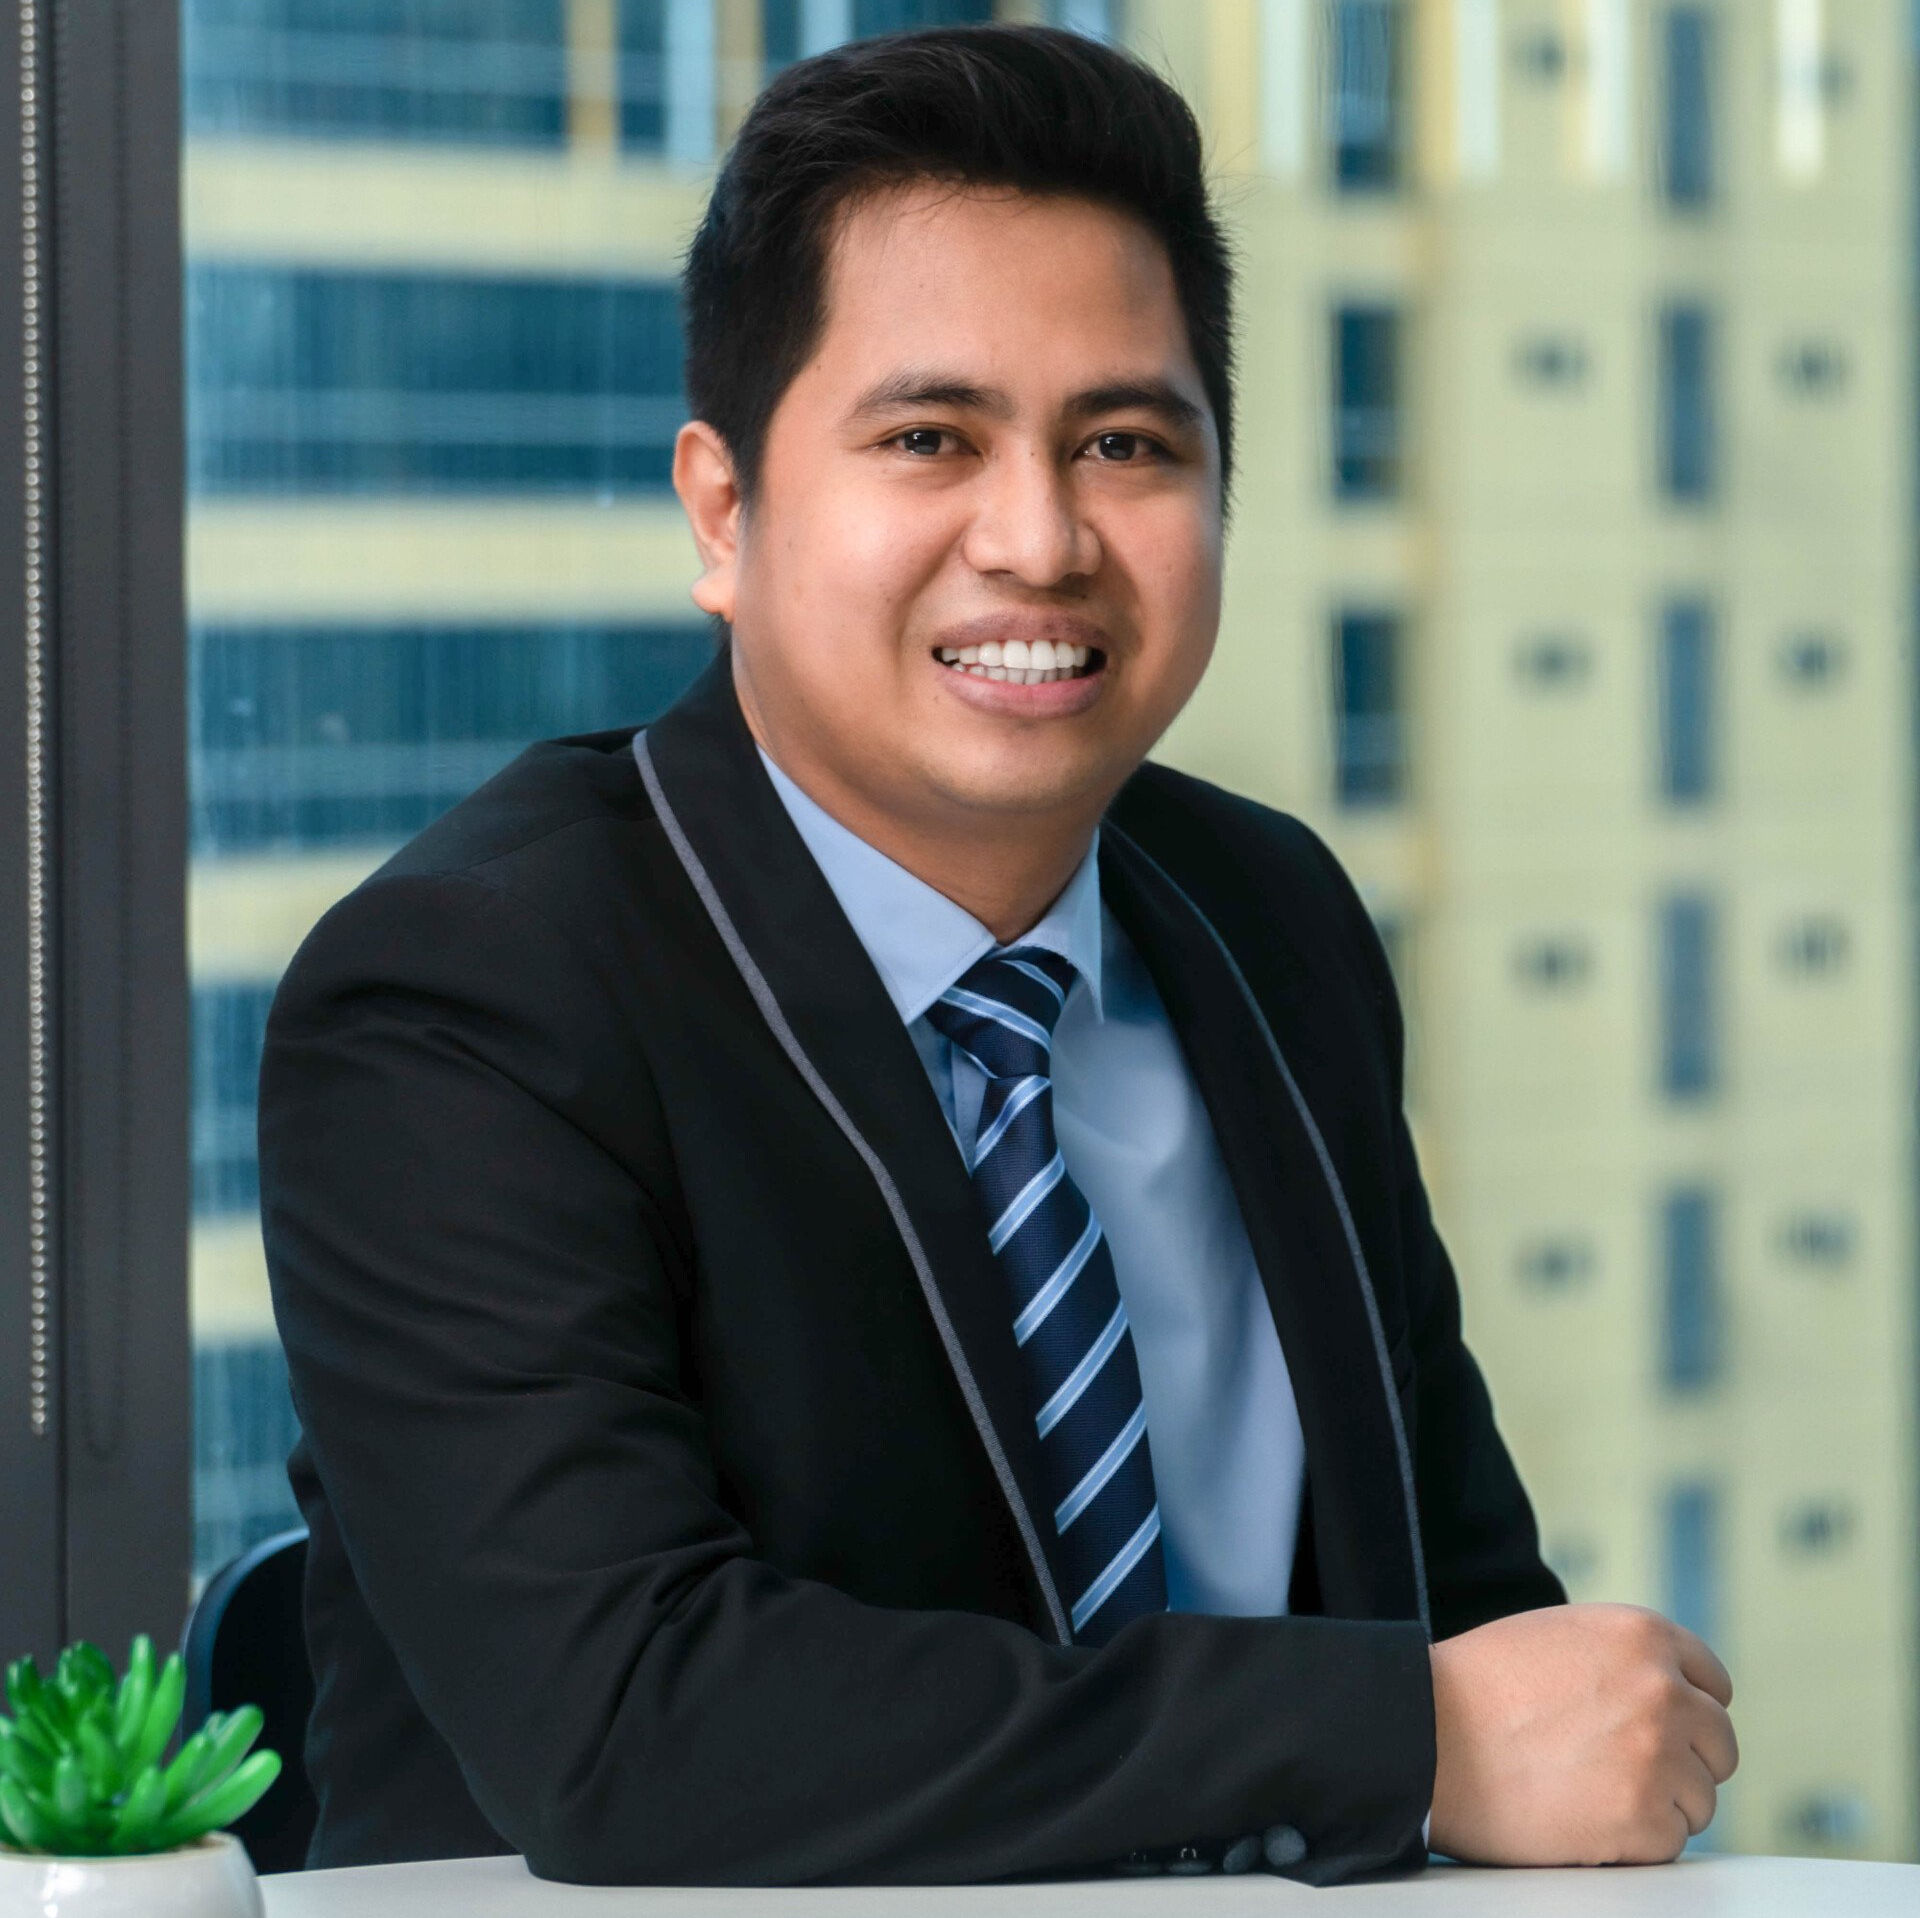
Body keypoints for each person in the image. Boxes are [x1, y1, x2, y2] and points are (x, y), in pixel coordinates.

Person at [258, 23, 1738, 1887]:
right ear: (723, 512)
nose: (1039, 539)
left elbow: (1465, 1615)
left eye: (1125, 442)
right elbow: (627, 1724)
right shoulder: (466, 1001)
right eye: (929, 438)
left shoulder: (1265, 917)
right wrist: (1400, 1738)